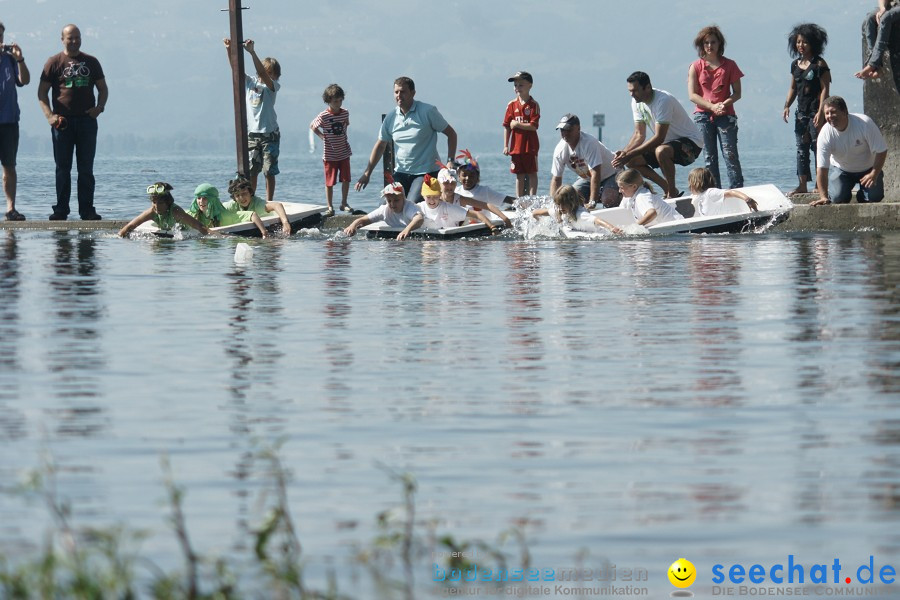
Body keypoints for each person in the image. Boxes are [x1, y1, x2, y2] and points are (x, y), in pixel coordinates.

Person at [37, 24, 108, 221]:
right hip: (62, 123)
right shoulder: (54, 62)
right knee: (62, 168)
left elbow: (103, 89)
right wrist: (49, 116)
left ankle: (87, 210)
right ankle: (61, 210)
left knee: (86, 169)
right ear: (62, 39)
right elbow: (41, 93)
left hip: (87, 121)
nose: (74, 41)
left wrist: (99, 108)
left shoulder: (92, 62)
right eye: (70, 38)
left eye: (77, 37)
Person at [354, 76, 457, 204]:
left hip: (426, 173)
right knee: (385, 204)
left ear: (413, 93)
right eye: (396, 92)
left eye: (403, 92)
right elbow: (380, 145)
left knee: (411, 204)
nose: (399, 95)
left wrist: (450, 161)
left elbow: (451, 134)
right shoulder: (391, 117)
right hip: (401, 173)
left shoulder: (428, 111)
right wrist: (367, 173)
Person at [611, 71, 704, 199]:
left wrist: (630, 153)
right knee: (632, 161)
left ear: (647, 87)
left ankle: (671, 194)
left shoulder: (663, 100)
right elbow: (639, 134)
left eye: (635, 90)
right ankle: (668, 188)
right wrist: (625, 153)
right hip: (667, 144)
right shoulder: (636, 102)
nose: (632, 95)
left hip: (692, 144)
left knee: (661, 151)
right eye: (630, 91)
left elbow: (659, 138)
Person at [223, 38, 281, 203]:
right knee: (252, 170)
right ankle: (252, 199)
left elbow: (263, 74)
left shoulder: (273, 86)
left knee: (269, 170)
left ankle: (269, 202)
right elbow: (236, 70)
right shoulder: (251, 83)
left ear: (275, 76)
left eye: (271, 73)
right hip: (253, 133)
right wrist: (229, 50)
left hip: (269, 133)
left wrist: (252, 52)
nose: (266, 75)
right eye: (265, 72)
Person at [687, 25, 745, 190]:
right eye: (706, 43)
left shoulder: (730, 65)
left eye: (713, 42)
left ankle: (737, 189)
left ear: (720, 44)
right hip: (703, 116)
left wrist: (722, 105)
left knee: (730, 154)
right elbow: (693, 95)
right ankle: (714, 191)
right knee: (709, 158)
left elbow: (737, 93)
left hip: (726, 115)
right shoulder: (696, 66)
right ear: (701, 45)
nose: (710, 46)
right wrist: (712, 106)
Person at [809, 96, 887, 206]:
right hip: (842, 170)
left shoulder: (864, 123)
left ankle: (863, 195)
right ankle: (844, 193)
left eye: (833, 112)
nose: (830, 116)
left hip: (868, 170)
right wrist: (823, 197)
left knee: (874, 197)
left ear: (845, 111)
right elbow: (822, 168)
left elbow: (881, 150)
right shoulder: (825, 133)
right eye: (827, 113)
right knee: (837, 198)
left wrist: (874, 173)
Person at [781, 23, 831, 197]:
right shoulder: (795, 64)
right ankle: (802, 184)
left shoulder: (819, 64)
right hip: (800, 114)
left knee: (818, 147)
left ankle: (819, 184)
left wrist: (821, 112)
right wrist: (787, 105)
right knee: (801, 148)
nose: (801, 45)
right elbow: (793, 88)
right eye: (798, 42)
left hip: (816, 112)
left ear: (813, 44)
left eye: (805, 42)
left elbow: (825, 88)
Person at [549, 113, 620, 209]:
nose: (565, 133)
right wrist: (555, 205)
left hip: (612, 173)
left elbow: (596, 173)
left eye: (568, 129)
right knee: (569, 199)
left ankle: (619, 196)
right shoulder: (560, 149)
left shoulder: (589, 143)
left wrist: (592, 202)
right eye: (562, 130)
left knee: (608, 200)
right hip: (587, 178)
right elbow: (556, 179)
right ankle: (598, 194)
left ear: (578, 128)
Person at [0, 22, 29, 221]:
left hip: (9, 121)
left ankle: (11, 208)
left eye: (1, 36)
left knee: (9, 166)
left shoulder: (9, 59)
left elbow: (24, 80)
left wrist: (20, 59)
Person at [310, 83, 352, 217]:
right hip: (329, 154)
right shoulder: (324, 116)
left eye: (340, 100)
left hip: (344, 152)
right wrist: (322, 136)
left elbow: (346, 124)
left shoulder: (345, 113)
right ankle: (329, 206)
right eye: (335, 101)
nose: (338, 104)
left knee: (346, 179)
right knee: (330, 182)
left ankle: (344, 202)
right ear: (328, 101)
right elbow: (312, 126)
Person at [118, 183, 209, 237]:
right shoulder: (151, 212)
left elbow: (198, 225)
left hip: (186, 227)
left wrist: (214, 236)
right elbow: (130, 226)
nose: (156, 206)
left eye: (160, 203)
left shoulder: (176, 211)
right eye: (154, 202)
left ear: (168, 203)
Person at [417, 174, 498, 233]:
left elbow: (477, 214)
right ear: (423, 196)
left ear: (439, 195)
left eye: (435, 197)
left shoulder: (449, 208)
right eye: (428, 197)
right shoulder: (418, 207)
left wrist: (492, 227)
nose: (432, 200)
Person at [343, 181, 423, 240]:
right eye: (389, 201)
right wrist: (352, 226)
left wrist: (406, 230)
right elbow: (363, 219)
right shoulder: (384, 210)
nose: (392, 204)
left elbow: (419, 219)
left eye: (396, 200)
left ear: (403, 198)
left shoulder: (409, 206)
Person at [502, 71, 540, 196]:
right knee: (519, 174)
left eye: (521, 85)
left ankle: (532, 198)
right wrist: (506, 145)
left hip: (530, 145)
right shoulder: (511, 105)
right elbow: (507, 126)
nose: (517, 88)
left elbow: (533, 126)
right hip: (516, 146)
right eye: (516, 85)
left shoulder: (533, 105)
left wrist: (518, 125)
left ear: (530, 85)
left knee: (532, 172)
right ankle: (520, 200)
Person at [452, 151, 513, 228]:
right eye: (464, 175)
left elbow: (506, 199)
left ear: (477, 177)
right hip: (463, 227)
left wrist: (523, 202)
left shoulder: (485, 191)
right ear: (458, 176)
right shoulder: (455, 191)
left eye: (472, 175)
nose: (467, 178)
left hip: (484, 226)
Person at [532, 185, 620, 234]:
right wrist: (539, 222)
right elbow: (535, 213)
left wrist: (612, 228)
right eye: (559, 204)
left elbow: (597, 220)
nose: (561, 207)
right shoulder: (558, 211)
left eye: (564, 204)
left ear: (571, 202)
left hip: (597, 231)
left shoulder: (580, 214)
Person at [221, 176, 292, 236]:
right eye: (237, 195)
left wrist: (285, 222)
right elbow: (217, 208)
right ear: (234, 197)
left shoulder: (258, 204)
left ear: (250, 193)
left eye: (244, 193)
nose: (241, 198)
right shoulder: (233, 204)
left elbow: (277, 205)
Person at [615, 168, 684, 227]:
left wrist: (634, 228)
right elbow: (620, 212)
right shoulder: (628, 197)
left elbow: (652, 213)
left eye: (622, 188)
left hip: (679, 227)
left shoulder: (642, 196)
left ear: (634, 187)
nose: (619, 191)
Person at [856, 0, 900, 80]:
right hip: (893, 5)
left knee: (886, 18)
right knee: (869, 19)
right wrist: (882, 8)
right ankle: (877, 67)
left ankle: (873, 64)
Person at [687, 167, 758, 216]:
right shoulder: (697, 195)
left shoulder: (710, 192)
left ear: (696, 183)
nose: (689, 186)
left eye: (690, 183)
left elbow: (730, 192)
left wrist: (747, 199)